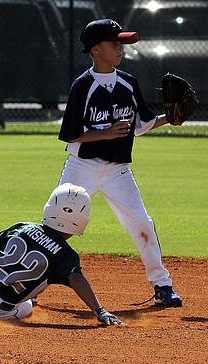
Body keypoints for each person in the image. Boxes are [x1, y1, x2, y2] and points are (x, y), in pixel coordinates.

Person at [55, 18, 183, 308]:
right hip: (82, 168)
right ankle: (31, 285)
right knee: (57, 227)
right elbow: (71, 134)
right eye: (114, 43)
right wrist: (106, 133)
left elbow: (141, 124)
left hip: (118, 172)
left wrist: (171, 119)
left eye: (121, 43)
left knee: (141, 224)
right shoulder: (82, 86)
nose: (120, 48)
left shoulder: (128, 83)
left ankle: (163, 285)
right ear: (96, 49)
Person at [0, 183, 125, 326]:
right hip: (1, 310)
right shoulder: (67, 256)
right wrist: (99, 310)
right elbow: (77, 279)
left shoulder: (23, 227)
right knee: (26, 306)